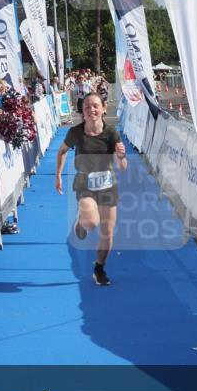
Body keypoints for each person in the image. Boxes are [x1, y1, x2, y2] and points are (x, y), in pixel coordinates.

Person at [55, 92, 128, 286]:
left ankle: (99, 268)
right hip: (85, 184)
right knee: (92, 223)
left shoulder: (111, 133)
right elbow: (62, 151)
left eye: (95, 105)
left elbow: (122, 167)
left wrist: (121, 157)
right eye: (87, 107)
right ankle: (81, 223)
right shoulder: (75, 132)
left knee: (107, 231)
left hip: (108, 185)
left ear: (104, 108)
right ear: (82, 111)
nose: (91, 110)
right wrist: (58, 175)